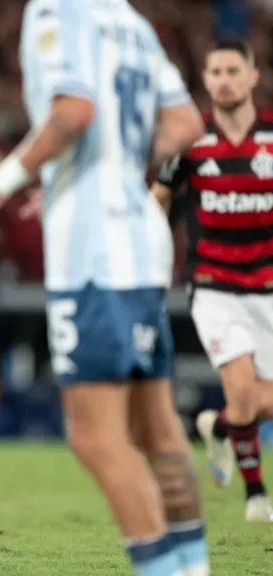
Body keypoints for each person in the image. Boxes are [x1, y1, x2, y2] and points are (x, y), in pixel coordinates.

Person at [0, 1, 210, 574]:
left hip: (94, 250)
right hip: (142, 237)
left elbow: (73, 111)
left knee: (94, 437)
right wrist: (105, 170)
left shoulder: (56, 10)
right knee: (157, 428)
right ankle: (192, 565)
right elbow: (186, 126)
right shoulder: (133, 24)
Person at [151, 38, 273, 523]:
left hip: (268, 285)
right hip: (214, 284)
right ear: (205, 81)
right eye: (214, 72)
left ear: (251, 76)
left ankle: (221, 430)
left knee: (257, 403)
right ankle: (257, 496)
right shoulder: (191, 142)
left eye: (231, 70)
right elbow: (156, 198)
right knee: (242, 391)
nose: (223, 80)